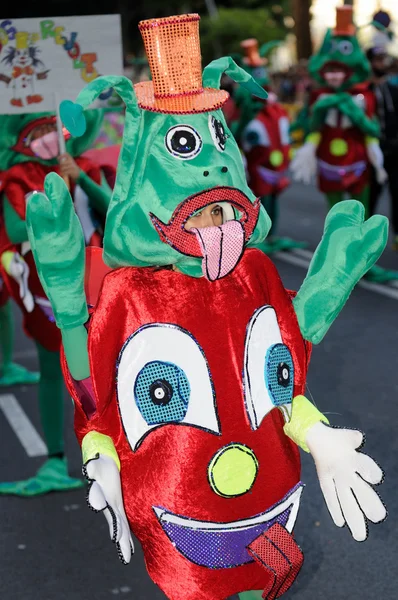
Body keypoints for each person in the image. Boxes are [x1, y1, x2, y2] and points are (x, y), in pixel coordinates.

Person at [27, 14, 387, 600]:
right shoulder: (132, 293)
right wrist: (68, 296)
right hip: (183, 514)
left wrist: (320, 436)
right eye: (200, 208)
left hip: (269, 504)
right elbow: (94, 388)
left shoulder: (255, 272)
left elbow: (284, 367)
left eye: (223, 208)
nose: (216, 220)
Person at [0, 109, 114, 496]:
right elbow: (16, 229)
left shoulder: (83, 165)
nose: (49, 136)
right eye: (39, 131)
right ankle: (53, 460)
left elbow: (115, 213)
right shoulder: (17, 178)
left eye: (53, 128)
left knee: (107, 368)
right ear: (23, 141)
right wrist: (55, 196)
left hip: (98, 280)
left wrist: (80, 179)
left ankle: (118, 451)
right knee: (54, 368)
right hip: (47, 286)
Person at [367, 47, 398, 250]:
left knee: (397, 193)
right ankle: (365, 239)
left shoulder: (392, 90)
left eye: (382, 59)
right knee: (370, 196)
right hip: (370, 153)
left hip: (394, 152)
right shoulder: (363, 90)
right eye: (377, 60)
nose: (381, 64)